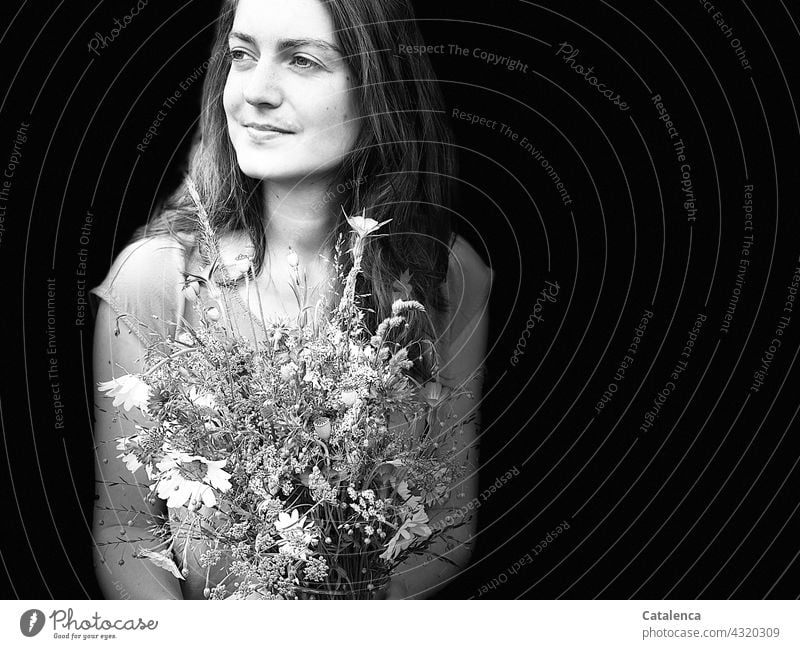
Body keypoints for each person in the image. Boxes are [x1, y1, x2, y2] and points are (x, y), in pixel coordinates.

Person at [91, 0, 493, 600]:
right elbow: (124, 530)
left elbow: (448, 525)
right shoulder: (155, 282)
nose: (256, 92)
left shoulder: (442, 274)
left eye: (302, 60)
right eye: (242, 55)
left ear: (378, 87)